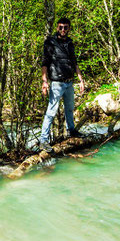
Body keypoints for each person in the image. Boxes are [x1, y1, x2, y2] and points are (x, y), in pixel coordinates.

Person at [39, 18, 85, 152]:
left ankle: (72, 131)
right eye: (61, 27)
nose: (63, 30)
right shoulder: (50, 42)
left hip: (69, 82)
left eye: (65, 27)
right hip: (57, 83)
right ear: (57, 28)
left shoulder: (70, 43)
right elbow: (45, 62)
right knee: (51, 111)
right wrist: (44, 81)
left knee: (70, 109)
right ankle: (43, 140)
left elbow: (74, 61)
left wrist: (81, 79)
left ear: (69, 28)